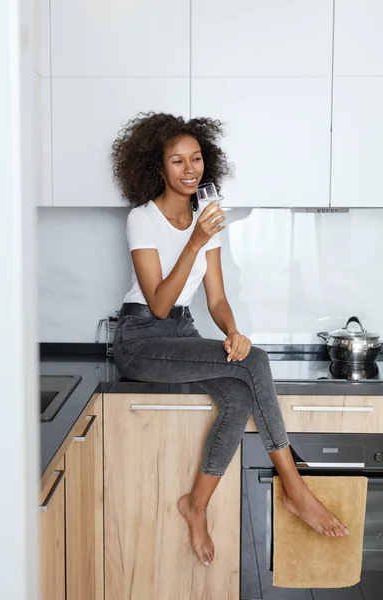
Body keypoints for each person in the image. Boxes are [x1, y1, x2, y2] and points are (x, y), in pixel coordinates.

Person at [110, 112, 350, 568]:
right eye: (176, 161)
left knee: (240, 391)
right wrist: (195, 240)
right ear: (157, 169)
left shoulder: (208, 218)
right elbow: (158, 303)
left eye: (196, 159)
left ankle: (195, 504)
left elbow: (216, 298)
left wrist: (233, 333)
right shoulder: (141, 219)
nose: (188, 170)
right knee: (255, 363)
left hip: (182, 332)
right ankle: (296, 489)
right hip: (140, 336)